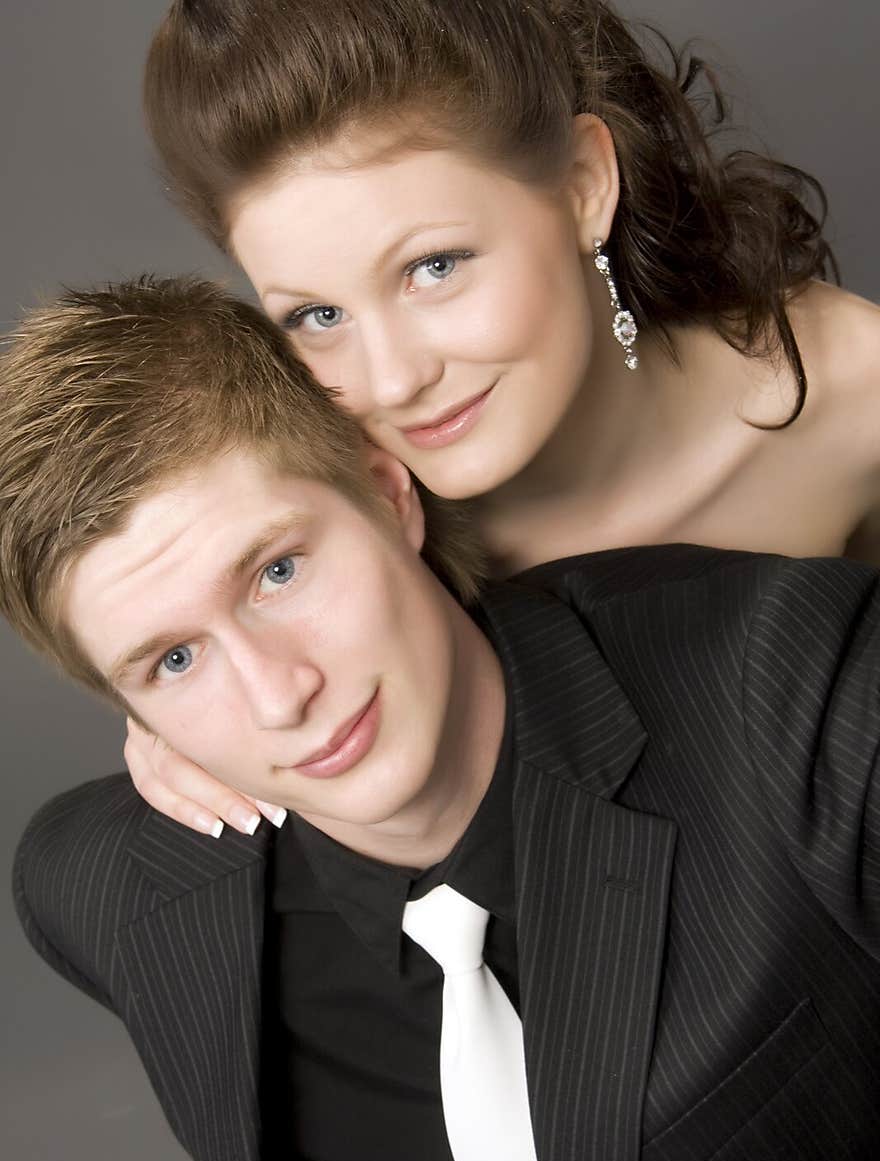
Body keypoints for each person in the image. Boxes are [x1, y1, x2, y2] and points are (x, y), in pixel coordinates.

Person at [2, 274, 880, 1161]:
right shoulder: (105, 888)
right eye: (174, 659)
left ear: (387, 491)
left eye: (278, 572)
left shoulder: (799, 686)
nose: (280, 696)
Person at [128, 0, 880, 838]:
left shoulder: (857, 398)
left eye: (433, 267)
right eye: (316, 316)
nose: (392, 381)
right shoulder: (330, 505)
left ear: (583, 185)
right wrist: (182, 714)